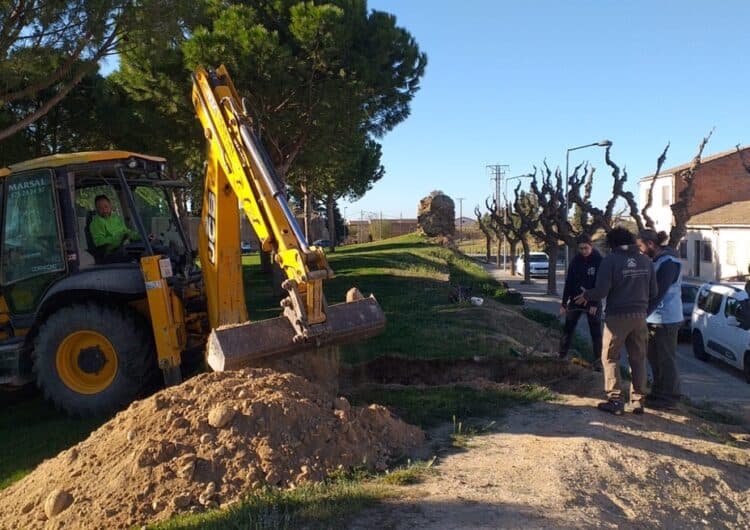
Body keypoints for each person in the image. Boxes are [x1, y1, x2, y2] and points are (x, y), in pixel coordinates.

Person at [574, 227, 658, 416]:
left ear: (611, 243)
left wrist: (586, 295)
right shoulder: (646, 261)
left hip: (617, 317)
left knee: (610, 357)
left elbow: (601, 291)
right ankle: (638, 402)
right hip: (640, 316)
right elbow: (654, 292)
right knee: (638, 358)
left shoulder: (610, 260)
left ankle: (615, 400)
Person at [637, 229, 683, 410]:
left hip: (667, 319)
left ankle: (670, 396)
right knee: (654, 358)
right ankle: (657, 392)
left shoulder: (669, 263)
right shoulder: (656, 261)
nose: (639, 250)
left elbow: (657, 294)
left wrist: (642, 314)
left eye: (640, 246)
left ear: (650, 244)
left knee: (666, 359)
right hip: (654, 318)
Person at [559, 234, 603, 368]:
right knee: (568, 329)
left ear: (591, 246)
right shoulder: (575, 261)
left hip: (592, 301)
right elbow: (568, 283)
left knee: (595, 332)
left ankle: (598, 362)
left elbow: (601, 284)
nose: (583, 251)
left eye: (586, 248)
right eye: (581, 249)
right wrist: (563, 303)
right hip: (575, 300)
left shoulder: (599, 260)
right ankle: (561, 356)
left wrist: (594, 302)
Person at [89, 195, 141, 261]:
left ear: (110, 206)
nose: (104, 210)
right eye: (100, 208)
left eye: (106, 207)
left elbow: (127, 232)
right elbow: (99, 242)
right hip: (111, 253)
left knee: (145, 247)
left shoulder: (116, 218)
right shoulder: (96, 223)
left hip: (123, 247)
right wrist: (118, 238)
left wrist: (142, 237)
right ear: (96, 209)